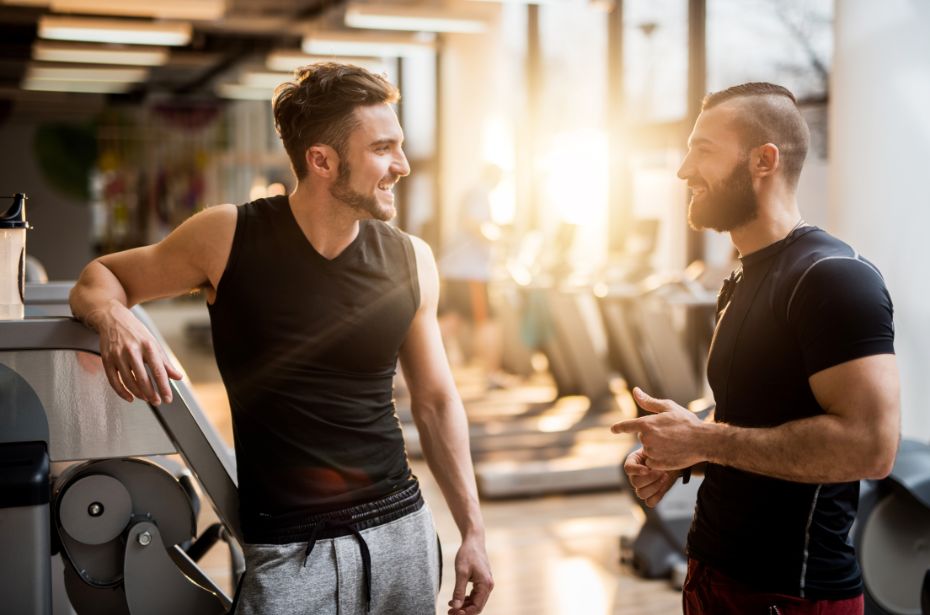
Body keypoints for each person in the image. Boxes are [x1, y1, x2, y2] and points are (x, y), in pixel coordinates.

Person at [70, 63, 493, 615]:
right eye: (383, 148)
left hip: (401, 534)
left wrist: (473, 532)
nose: (403, 166)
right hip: (289, 548)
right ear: (321, 160)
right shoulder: (226, 236)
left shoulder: (412, 260)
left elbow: (436, 402)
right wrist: (115, 317)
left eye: (401, 146)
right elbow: (98, 279)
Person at [612, 82, 900, 614]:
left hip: (790, 595)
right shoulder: (744, 274)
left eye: (703, 150)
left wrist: (706, 440)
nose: (682, 170)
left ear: (763, 160)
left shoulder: (833, 277)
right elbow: (760, 412)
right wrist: (689, 446)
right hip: (714, 575)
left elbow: (870, 445)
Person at [438, 164, 505, 389]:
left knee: (451, 320)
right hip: (471, 272)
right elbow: (473, 224)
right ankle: (492, 375)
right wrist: (499, 239)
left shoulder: (474, 192)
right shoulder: (480, 192)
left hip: (460, 270)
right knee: (488, 322)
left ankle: (401, 365)